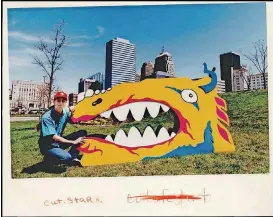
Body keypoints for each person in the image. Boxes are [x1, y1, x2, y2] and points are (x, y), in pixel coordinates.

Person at [38, 91, 87, 166]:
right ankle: (48, 158)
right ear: (54, 102)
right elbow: (54, 137)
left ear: (65, 103)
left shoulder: (66, 112)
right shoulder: (47, 117)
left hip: (59, 142)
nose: (60, 103)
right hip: (48, 146)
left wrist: (75, 111)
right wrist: (73, 142)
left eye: (63, 101)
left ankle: (73, 156)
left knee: (82, 133)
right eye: (58, 100)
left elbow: (74, 120)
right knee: (66, 158)